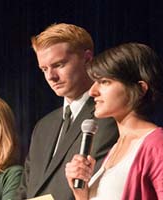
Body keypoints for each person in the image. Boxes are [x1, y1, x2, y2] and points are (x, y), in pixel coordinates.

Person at [16, 23, 119, 200]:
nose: (51, 76)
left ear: (87, 59)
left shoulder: (109, 117)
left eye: (59, 64)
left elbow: (98, 185)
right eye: (44, 69)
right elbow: (24, 191)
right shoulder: (44, 126)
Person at [65, 42, 163, 200]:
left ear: (140, 89)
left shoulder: (156, 144)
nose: (92, 91)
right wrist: (81, 194)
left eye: (104, 82)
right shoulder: (118, 146)